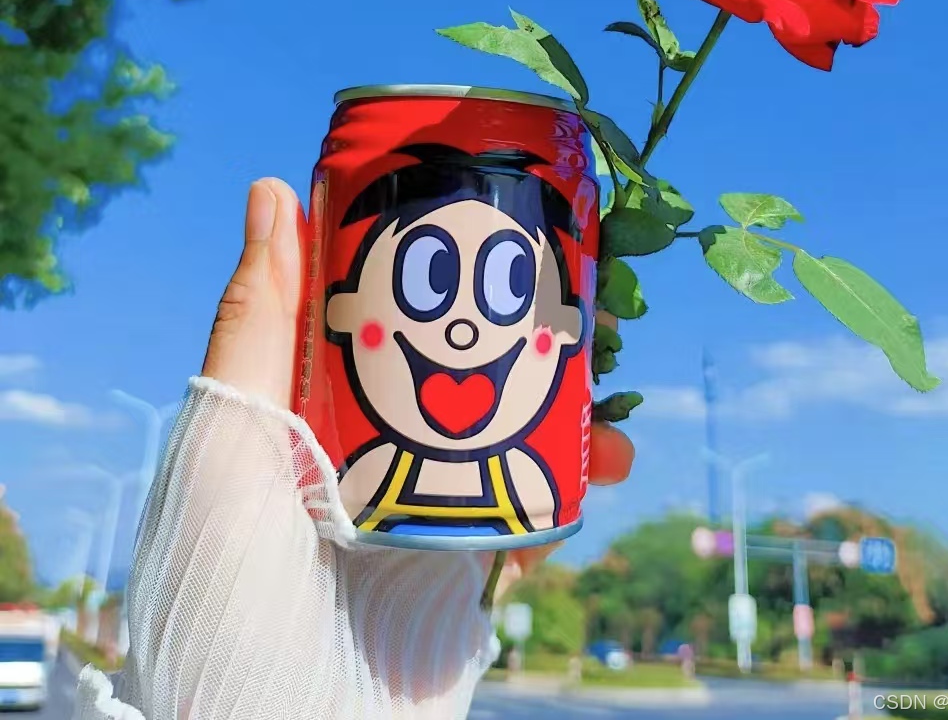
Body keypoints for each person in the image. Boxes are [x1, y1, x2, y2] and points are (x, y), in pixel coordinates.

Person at [73, 179, 635, 720]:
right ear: (343, 308)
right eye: (427, 281)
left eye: (510, 289)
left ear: (569, 325)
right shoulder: (370, 473)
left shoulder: (526, 481)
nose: (462, 330)